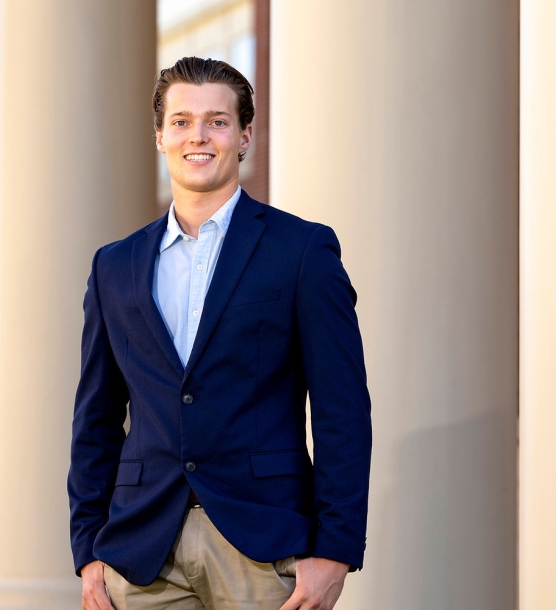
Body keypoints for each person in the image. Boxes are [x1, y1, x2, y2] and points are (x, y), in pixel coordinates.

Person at [68, 57, 372, 610]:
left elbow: (342, 411)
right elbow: (96, 417)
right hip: (140, 552)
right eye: (181, 121)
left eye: (217, 121)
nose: (198, 136)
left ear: (244, 135)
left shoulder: (303, 251)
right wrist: (88, 549)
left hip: (262, 546)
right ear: (159, 136)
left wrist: (336, 550)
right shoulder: (114, 266)